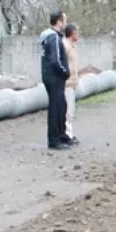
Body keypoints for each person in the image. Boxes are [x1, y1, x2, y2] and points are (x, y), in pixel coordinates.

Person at [39, 10, 71, 150]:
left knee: (61, 106)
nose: (65, 23)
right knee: (56, 108)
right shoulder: (54, 38)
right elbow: (55, 60)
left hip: (52, 78)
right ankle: (54, 140)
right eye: (64, 20)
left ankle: (61, 135)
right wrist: (64, 72)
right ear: (59, 21)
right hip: (54, 78)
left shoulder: (51, 37)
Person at [63, 23, 80, 144]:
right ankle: (67, 135)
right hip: (67, 83)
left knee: (70, 110)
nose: (78, 35)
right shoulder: (66, 46)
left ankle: (69, 133)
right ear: (72, 34)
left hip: (71, 82)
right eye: (77, 32)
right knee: (67, 111)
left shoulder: (72, 46)